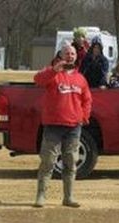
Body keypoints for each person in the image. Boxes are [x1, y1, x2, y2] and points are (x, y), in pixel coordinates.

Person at [32, 41, 92, 208]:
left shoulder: (80, 78)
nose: (70, 56)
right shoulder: (52, 74)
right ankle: (41, 196)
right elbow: (38, 80)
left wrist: (84, 116)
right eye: (67, 53)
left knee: (71, 162)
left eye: (72, 54)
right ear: (60, 55)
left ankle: (68, 197)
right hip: (53, 125)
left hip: (74, 126)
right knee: (48, 162)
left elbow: (87, 100)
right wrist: (54, 70)